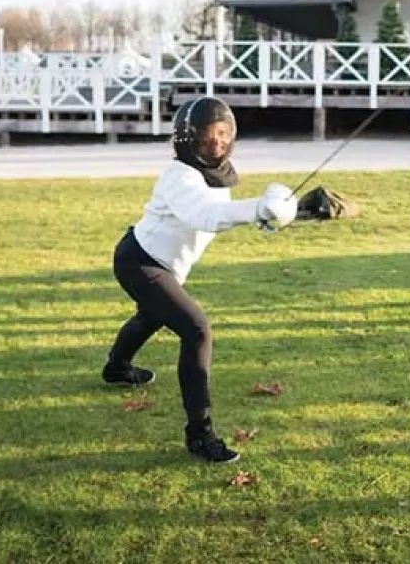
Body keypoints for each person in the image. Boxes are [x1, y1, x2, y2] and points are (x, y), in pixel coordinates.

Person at [101, 96, 298, 463]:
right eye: (208, 136)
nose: (217, 142)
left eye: (224, 134)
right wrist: (257, 207)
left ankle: (116, 367)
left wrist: (271, 217)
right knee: (196, 329)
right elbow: (206, 214)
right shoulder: (178, 176)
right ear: (187, 138)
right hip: (139, 262)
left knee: (152, 315)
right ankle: (200, 434)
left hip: (163, 266)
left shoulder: (217, 177)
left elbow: (222, 213)